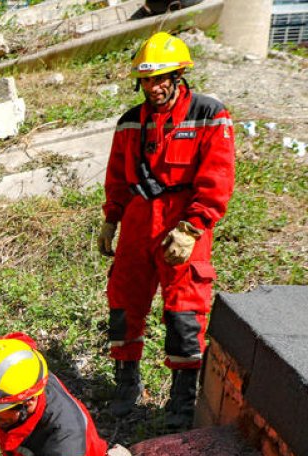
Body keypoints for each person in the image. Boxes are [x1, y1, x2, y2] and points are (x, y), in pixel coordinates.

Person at [98, 32, 235, 428]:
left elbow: (218, 176)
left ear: (178, 75)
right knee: (123, 304)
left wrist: (192, 228)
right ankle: (126, 386)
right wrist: (111, 218)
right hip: (139, 221)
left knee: (184, 313)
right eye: (145, 80)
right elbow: (117, 179)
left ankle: (181, 399)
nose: (152, 88)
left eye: (159, 79)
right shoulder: (129, 122)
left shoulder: (209, 114)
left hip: (183, 220)